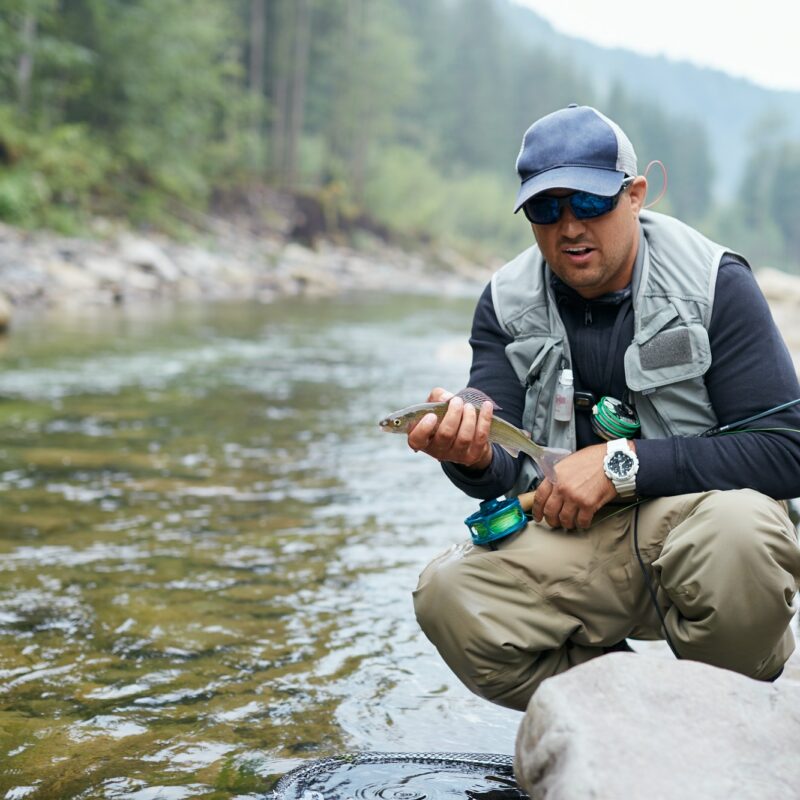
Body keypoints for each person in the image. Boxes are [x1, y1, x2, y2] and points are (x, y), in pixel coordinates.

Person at [408, 104, 800, 712]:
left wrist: (623, 464)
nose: (568, 228)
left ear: (636, 194)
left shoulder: (716, 282)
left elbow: (787, 449)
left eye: (589, 203)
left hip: (701, 527)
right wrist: (469, 451)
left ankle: (729, 708)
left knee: (741, 533)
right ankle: (626, 713)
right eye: (545, 208)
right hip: (579, 540)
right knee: (448, 594)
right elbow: (505, 466)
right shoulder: (505, 303)